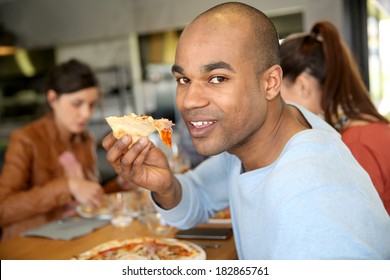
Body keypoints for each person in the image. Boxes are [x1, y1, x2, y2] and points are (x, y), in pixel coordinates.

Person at [103, 2, 390, 259]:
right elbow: (198, 197)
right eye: (183, 79)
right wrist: (165, 186)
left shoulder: (315, 199)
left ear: (270, 83)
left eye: (217, 78)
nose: (189, 101)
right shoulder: (261, 134)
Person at [0, 59, 124, 242]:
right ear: (52, 99)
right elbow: (4, 209)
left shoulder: (85, 138)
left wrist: (120, 185)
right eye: (77, 103)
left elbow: (88, 198)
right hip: (35, 246)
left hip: (79, 236)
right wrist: (67, 185)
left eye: (91, 104)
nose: (86, 114)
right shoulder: (26, 139)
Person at [279, 21, 390, 215]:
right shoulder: (369, 129)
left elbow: (354, 223)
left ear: (303, 86)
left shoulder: (355, 145)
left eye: (279, 94)